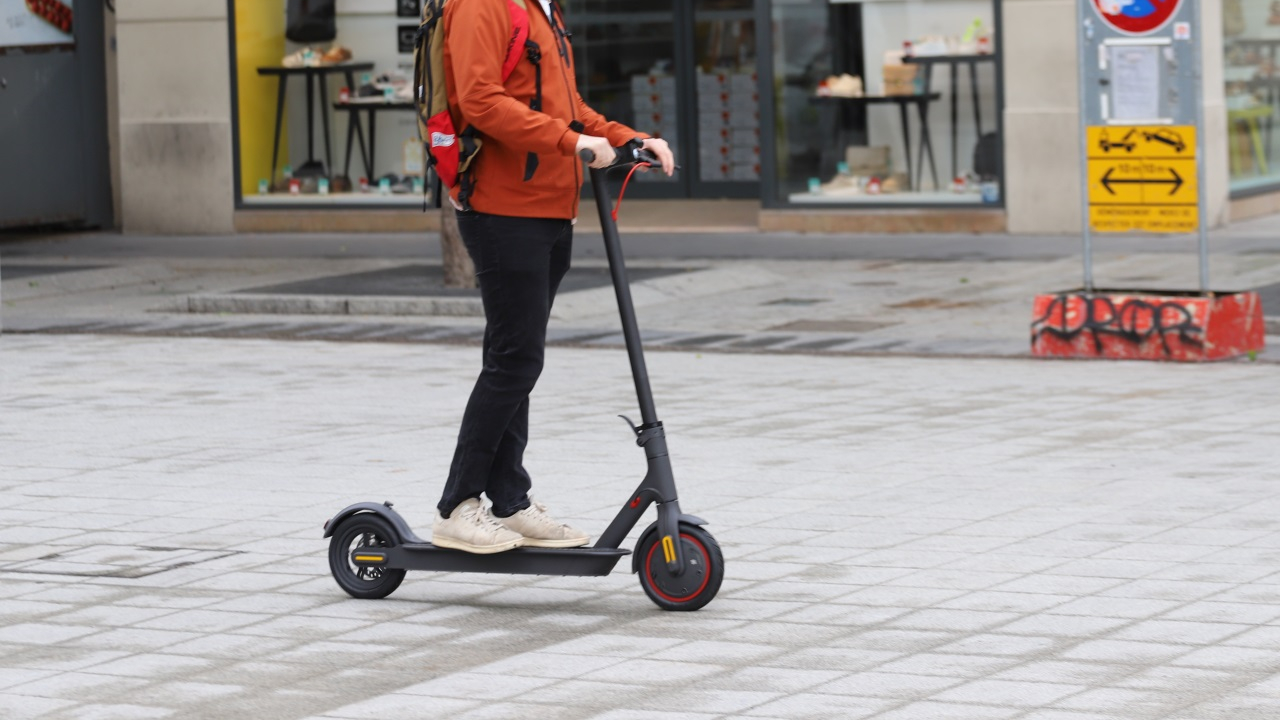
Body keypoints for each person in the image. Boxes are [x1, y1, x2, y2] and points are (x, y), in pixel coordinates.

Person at [431, 0, 675, 553]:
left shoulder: (542, 9)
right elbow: (481, 100)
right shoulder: (482, 5)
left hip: (548, 210)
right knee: (515, 360)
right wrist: (572, 143)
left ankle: (509, 502)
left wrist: (626, 137)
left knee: (517, 360)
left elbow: (566, 107)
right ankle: (456, 507)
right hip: (501, 210)